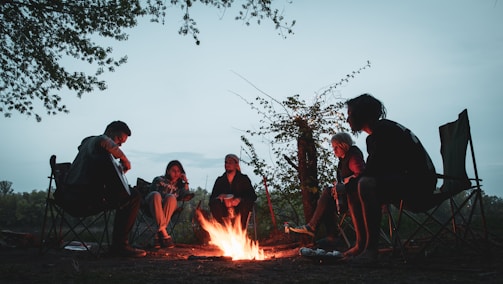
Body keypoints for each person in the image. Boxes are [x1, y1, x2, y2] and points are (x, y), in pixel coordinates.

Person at [344, 93, 437, 264]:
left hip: (419, 185)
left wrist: (354, 182)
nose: (347, 120)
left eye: (350, 114)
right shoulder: (379, 132)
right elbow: (378, 169)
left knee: (365, 184)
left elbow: (374, 171)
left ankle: (371, 251)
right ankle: (361, 245)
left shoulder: (384, 132)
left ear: (363, 114)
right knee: (354, 188)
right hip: (407, 181)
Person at [60, 121, 146, 258]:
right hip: (82, 199)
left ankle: (120, 245)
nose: (119, 145)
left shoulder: (90, 146)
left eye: (122, 143)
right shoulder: (97, 141)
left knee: (127, 195)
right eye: (119, 139)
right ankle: (120, 246)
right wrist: (124, 160)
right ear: (110, 131)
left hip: (72, 196)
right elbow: (104, 141)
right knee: (133, 196)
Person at [289, 132, 367, 255]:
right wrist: (338, 186)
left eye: (336, 147)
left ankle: (314, 228)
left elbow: (361, 175)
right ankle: (330, 236)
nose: (334, 150)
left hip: (357, 199)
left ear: (344, 145)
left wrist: (343, 184)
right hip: (348, 197)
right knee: (328, 197)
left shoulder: (353, 157)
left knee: (327, 193)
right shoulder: (344, 160)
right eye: (333, 147)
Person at [146, 160, 194, 249]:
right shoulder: (159, 179)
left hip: (168, 208)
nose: (176, 173)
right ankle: (164, 233)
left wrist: (186, 182)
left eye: (178, 171)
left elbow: (186, 196)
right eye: (173, 170)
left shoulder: (180, 187)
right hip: (153, 206)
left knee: (171, 198)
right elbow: (152, 192)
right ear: (168, 171)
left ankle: (158, 234)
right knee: (155, 195)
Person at [209, 154, 257, 231]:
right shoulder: (220, 180)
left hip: (240, 208)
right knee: (214, 203)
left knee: (246, 204)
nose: (227, 165)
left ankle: (240, 231)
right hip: (223, 209)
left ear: (236, 164)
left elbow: (252, 196)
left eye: (230, 162)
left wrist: (239, 199)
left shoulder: (243, 179)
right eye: (226, 162)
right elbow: (212, 198)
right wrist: (220, 197)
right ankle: (222, 229)